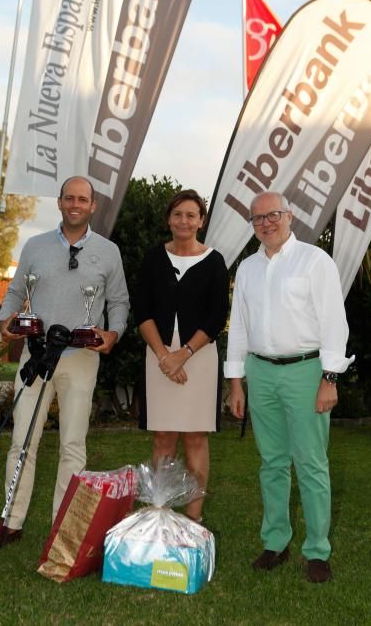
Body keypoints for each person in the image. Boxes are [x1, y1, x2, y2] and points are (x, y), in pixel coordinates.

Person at [0, 176, 129, 548]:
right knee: (20, 443)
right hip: (35, 355)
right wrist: (5, 323)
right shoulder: (35, 246)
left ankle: (63, 526)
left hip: (80, 357)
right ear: (60, 203)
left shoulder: (108, 251)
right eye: (69, 198)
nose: (76, 204)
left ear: (93, 206)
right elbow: (16, 292)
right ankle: (10, 522)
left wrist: (113, 334)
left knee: (73, 445)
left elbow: (119, 302)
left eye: (83, 199)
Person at [226, 191, 353, 583]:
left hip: (306, 372)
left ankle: (317, 550)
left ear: (289, 216)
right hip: (260, 373)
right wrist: (235, 381)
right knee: (272, 463)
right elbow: (240, 326)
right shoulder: (246, 268)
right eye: (258, 218)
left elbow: (334, 322)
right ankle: (275, 542)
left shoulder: (315, 261)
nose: (266, 223)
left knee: (312, 464)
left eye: (273, 215)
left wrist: (329, 378)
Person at [134, 189, 229, 522]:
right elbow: (141, 311)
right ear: (168, 220)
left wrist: (183, 354)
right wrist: (164, 356)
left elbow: (217, 316)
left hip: (199, 355)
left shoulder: (215, 262)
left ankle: (193, 519)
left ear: (201, 221)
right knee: (162, 435)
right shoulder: (152, 258)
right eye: (178, 214)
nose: (184, 221)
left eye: (191, 215)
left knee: (195, 436)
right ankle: (159, 513)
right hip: (157, 352)